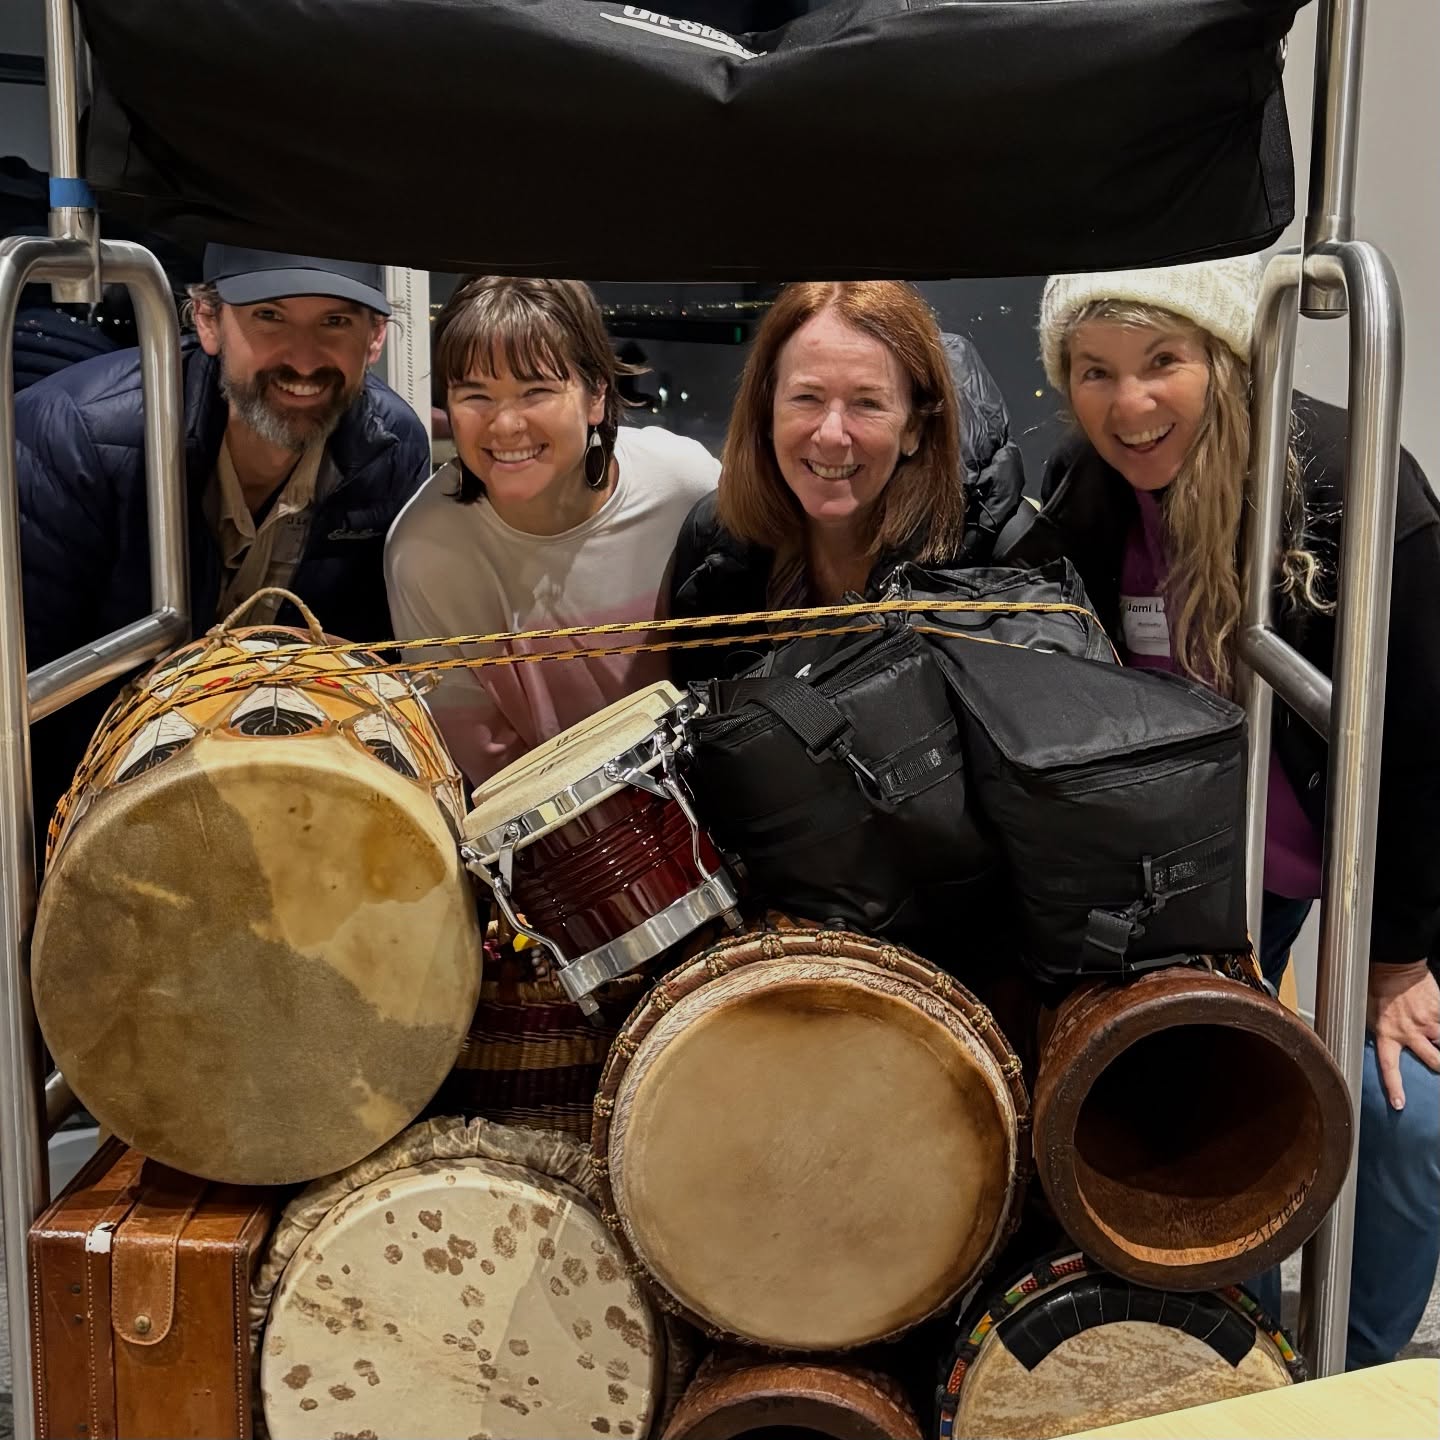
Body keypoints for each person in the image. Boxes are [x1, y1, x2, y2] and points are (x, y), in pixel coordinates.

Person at [1001, 254, 1440, 1368]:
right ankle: (1237, 1357)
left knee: (1402, 1122)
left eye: (1162, 363)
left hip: (1377, 862)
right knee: (1218, 1117)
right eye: (1093, 372)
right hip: (1213, 871)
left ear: (1228, 358)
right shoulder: (1082, 489)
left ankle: (1358, 1365)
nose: (1130, 403)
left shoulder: (1357, 489)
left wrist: (1394, 964)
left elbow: (1429, 751)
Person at [18, 244, 431, 835]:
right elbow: (31, 706)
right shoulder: (75, 439)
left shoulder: (389, 450)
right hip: (86, 812)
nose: (305, 358)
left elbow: (366, 667)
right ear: (208, 321)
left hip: (286, 802)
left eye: (334, 321)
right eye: (270, 316)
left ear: (375, 340)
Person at [384, 276, 719, 786]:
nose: (505, 425)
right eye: (476, 394)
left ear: (596, 395)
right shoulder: (427, 549)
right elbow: (482, 761)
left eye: (535, 391)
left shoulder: (683, 484)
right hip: (552, 842)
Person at [666, 279, 1024, 680]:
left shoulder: (1003, 552)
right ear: (766, 413)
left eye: (867, 403)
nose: (832, 436)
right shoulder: (714, 533)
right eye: (807, 398)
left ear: (914, 429)